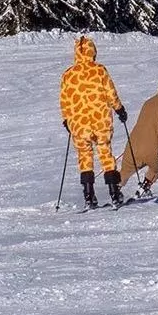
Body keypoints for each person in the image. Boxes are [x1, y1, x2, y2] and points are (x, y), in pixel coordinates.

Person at [59, 35, 128, 208]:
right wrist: (119, 109)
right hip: (100, 121)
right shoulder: (99, 70)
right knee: (105, 153)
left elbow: (64, 100)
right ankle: (114, 192)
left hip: (79, 124)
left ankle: (89, 195)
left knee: (84, 156)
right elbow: (111, 93)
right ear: (93, 52)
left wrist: (67, 120)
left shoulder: (68, 75)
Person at [120, 75, 158, 198]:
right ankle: (144, 187)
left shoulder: (149, 101)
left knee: (125, 170)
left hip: (133, 144)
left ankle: (115, 190)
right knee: (157, 167)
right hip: (151, 148)